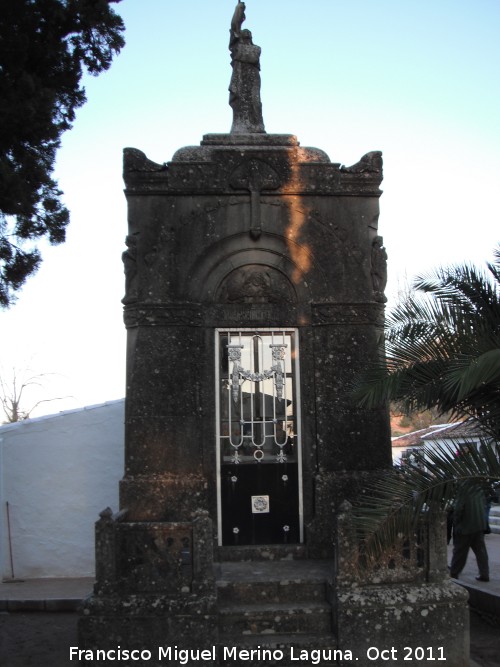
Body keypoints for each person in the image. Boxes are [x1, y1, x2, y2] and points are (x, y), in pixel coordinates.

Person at [228, 1, 265, 133]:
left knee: (255, 103)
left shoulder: (256, 49)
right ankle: (240, 126)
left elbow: (253, 57)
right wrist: (239, 9)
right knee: (240, 104)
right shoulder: (237, 46)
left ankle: (257, 126)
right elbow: (234, 25)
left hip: (253, 77)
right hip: (240, 77)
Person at [449, 482, 490, 582]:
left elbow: (459, 508)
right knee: (481, 551)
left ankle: (454, 573)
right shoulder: (478, 488)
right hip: (479, 525)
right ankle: (484, 573)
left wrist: (456, 522)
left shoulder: (464, 489)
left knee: (460, 551)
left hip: (465, 526)